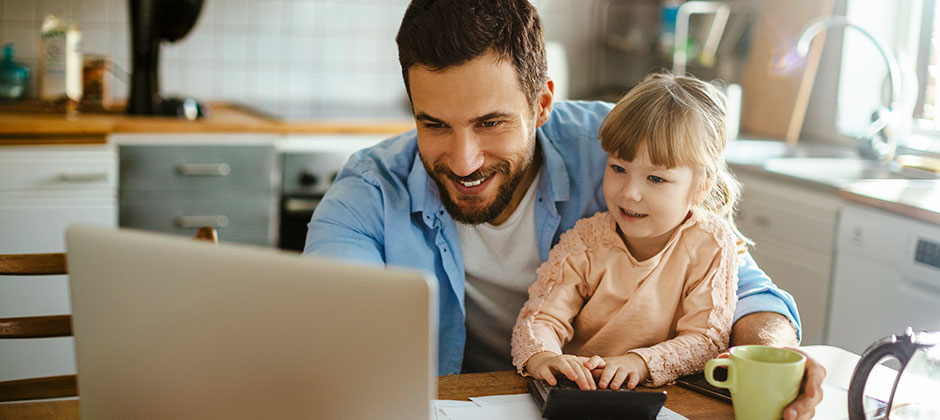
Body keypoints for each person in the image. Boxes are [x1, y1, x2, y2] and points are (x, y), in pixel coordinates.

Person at [303, 1, 825, 419]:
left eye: (490, 123)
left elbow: (745, 288)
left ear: (543, 103)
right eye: (434, 124)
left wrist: (774, 353)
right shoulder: (371, 188)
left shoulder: (622, 154)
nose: (464, 161)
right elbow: (328, 324)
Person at [512, 73, 741, 391]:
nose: (630, 193)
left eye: (656, 179)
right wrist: (545, 357)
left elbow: (707, 339)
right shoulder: (585, 242)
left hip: (664, 398)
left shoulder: (710, 244)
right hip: (581, 395)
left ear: (701, 186)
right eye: (618, 169)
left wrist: (640, 363)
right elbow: (540, 319)